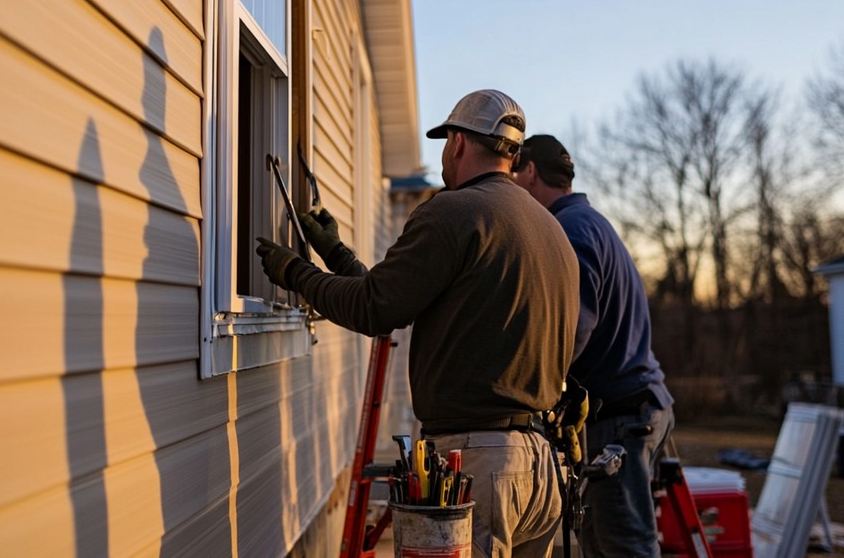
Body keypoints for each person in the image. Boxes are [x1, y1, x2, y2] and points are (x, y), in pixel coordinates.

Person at [255, 90, 579, 558]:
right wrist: (336, 254)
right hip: (541, 471)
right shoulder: (549, 229)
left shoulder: (454, 211)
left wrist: (295, 273)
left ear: (459, 142)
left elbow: (375, 309)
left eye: (445, 140)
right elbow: (398, 295)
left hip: (478, 464)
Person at [511, 134, 675, 558]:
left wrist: (532, 386)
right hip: (637, 407)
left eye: (514, 173)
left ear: (529, 171)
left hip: (620, 419)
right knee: (600, 543)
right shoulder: (590, 221)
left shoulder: (569, 229)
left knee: (625, 548)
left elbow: (572, 328)